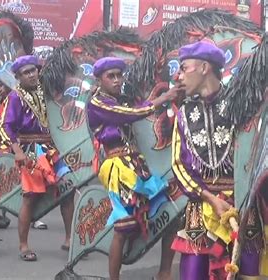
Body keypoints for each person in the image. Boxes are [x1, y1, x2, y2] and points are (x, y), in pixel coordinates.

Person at [170, 41, 262, 279]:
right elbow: (179, 165)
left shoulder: (242, 103)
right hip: (201, 206)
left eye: (183, 68)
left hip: (241, 206)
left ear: (203, 67)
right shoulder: (184, 113)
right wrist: (209, 198)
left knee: (244, 273)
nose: (177, 75)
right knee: (193, 273)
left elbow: (256, 153)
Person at [87, 57, 183, 280]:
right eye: (111, 76)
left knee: (171, 213)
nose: (117, 80)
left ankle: (164, 272)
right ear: (99, 79)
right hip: (118, 169)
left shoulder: (123, 100)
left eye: (119, 75)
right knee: (123, 227)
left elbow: (138, 110)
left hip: (139, 167)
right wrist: (163, 98)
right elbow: (129, 115)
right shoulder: (98, 104)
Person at [0, 55, 71, 261]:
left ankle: (69, 239)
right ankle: (23, 245)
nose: (31, 75)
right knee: (30, 197)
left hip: (52, 148)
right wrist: (17, 151)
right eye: (26, 73)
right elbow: (5, 126)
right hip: (30, 149)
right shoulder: (14, 97)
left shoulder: (46, 92)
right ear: (18, 77)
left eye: (33, 70)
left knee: (68, 190)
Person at [0, 76, 48, 230]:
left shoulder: (20, 97)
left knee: (36, 177)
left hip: (27, 143)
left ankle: (34, 217)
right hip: (6, 142)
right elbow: (2, 124)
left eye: (1, 86)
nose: (0, 90)